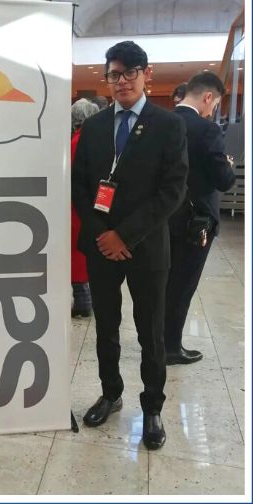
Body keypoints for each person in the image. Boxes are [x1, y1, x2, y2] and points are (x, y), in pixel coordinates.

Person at [71, 40, 187, 450]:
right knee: (105, 325)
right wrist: (104, 233)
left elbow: (172, 191)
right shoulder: (95, 127)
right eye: (113, 74)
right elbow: (81, 187)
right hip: (102, 246)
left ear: (145, 74)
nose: (120, 81)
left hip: (147, 247)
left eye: (128, 72)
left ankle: (152, 406)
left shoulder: (169, 125)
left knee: (150, 330)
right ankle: (111, 392)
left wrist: (125, 234)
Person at [164, 71, 237, 365]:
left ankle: (155, 339)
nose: (212, 110)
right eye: (215, 103)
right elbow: (222, 180)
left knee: (164, 281)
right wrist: (228, 166)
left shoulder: (161, 123)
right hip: (196, 223)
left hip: (162, 217)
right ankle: (170, 347)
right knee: (183, 285)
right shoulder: (207, 131)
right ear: (208, 97)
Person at [70, 98, 101, 318]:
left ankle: (83, 301)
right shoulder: (98, 141)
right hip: (96, 206)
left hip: (76, 208)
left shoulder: (76, 142)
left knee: (77, 255)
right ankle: (86, 298)